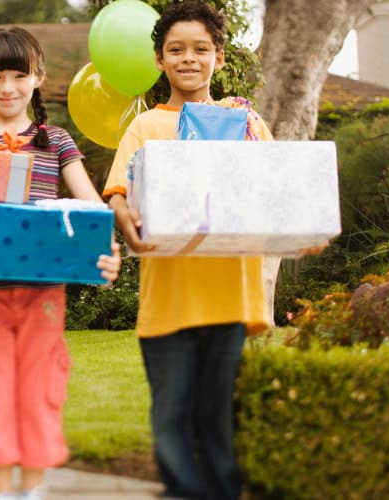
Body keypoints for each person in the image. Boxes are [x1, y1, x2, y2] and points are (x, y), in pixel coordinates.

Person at [102, 2, 282, 498]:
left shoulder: (244, 122)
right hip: (169, 299)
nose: (188, 59)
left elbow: (276, 191)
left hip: (229, 296)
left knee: (218, 416)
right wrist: (124, 216)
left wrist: (297, 232)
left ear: (219, 58)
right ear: (159, 60)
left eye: (201, 49)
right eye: (175, 50)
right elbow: (118, 194)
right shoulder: (145, 127)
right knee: (172, 415)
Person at [0, 27, 121, 500]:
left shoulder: (57, 142)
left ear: (38, 77)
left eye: (18, 75)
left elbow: (91, 207)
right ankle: (2, 490)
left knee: (41, 386)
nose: (7, 87)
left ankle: (34, 489)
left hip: (44, 294)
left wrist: (108, 251)